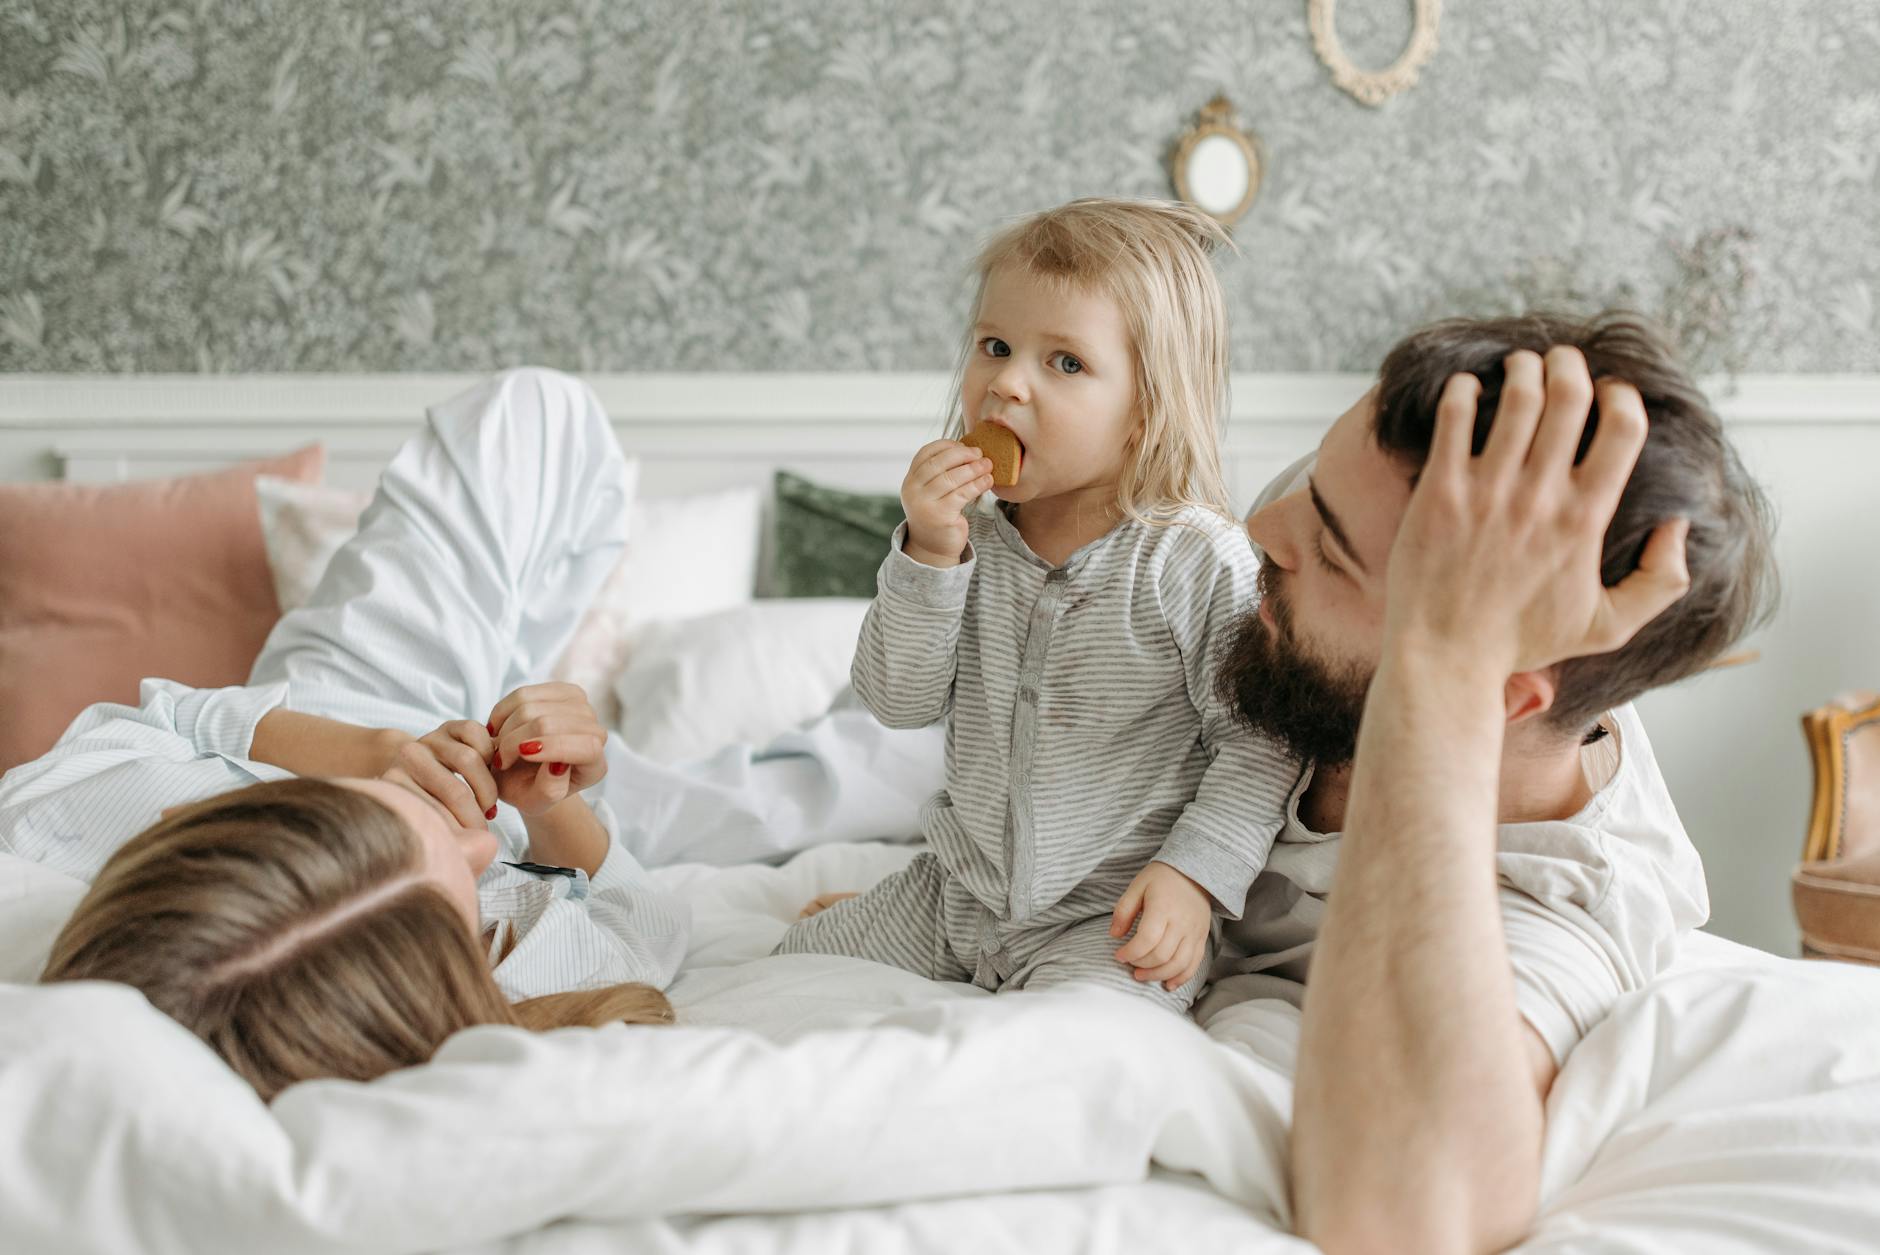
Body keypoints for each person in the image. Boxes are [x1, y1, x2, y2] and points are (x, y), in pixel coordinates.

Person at [2, 369, 689, 1100]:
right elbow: (644, 922)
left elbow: (171, 715)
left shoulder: (59, 824)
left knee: (534, 412)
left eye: (387, 820)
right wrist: (550, 808)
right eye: (467, 890)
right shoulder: (492, 976)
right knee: (738, 801)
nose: (481, 839)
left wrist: (370, 752)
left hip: (346, 711)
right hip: (540, 815)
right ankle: (526, 695)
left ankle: (482, 692)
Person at [771, 199, 1296, 1011]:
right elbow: (897, 701)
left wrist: (1193, 879)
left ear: (1145, 410)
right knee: (785, 970)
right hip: (955, 898)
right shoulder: (961, 537)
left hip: (1113, 914)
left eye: (1065, 363)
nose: (1006, 383)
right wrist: (928, 555)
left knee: (1074, 1044)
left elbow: (1259, 743)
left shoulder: (1190, 557)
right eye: (995, 346)